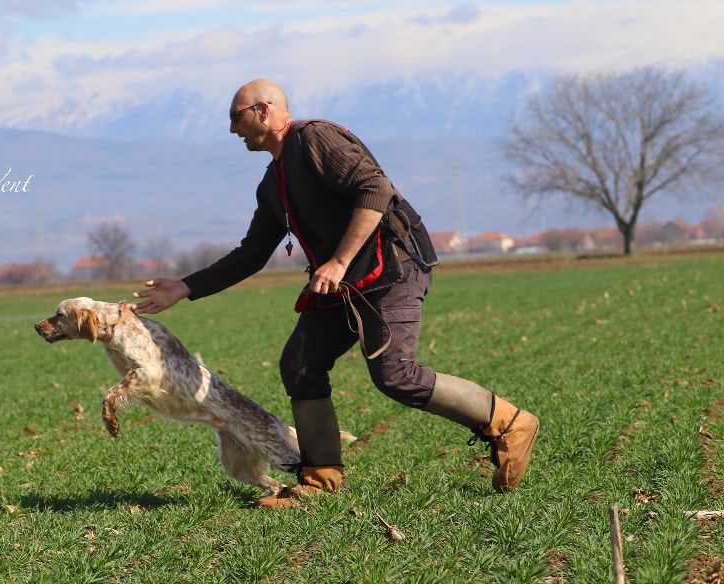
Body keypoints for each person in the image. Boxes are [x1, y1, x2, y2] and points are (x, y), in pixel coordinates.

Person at [131, 79, 539, 508]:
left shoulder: (317, 139)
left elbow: (375, 190)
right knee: (300, 365)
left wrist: (339, 261)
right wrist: (185, 286)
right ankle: (320, 478)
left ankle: (510, 423)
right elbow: (252, 253)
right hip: (343, 283)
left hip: (393, 269)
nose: (232, 130)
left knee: (395, 376)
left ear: (264, 112)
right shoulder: (273, 184)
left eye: (236, 117)